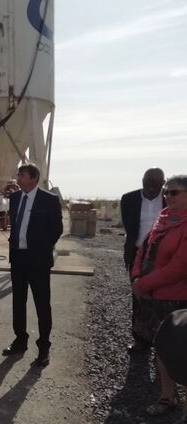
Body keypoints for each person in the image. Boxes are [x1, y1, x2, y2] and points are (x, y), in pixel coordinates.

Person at [131, 175, 187, 417]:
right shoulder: (163, 220)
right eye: (166, 192)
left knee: (183, 351)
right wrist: (135, 278)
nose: (167, 196)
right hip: (153, 296)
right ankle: (167, 397)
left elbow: (179, 268)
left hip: (176, 299)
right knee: (161, 349)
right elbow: (142, 251)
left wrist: (143, 283)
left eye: (174, 192)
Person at [2, 163, 63, 367]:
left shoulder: (49, 199)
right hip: (17, 258)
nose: (18, 178)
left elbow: (56, 229)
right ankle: (20, 340)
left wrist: (41, 247)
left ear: (34, 178)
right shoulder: (15, 198)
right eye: (18, 174)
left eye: (22, 175)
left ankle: (43, 347)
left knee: (42, 304)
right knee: (18, 301)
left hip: (38, 260)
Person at [120, 167, 166, 352]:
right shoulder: (129, 199)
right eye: (147, 184)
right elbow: (130, 230)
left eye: (155, 185)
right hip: (137, 254)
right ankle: (140, 340)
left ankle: (163, 341)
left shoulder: (170, 199)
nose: (151, 188)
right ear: (142, 181)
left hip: (164, 257)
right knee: (138, 297)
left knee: (162, 298)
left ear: (163, 183)